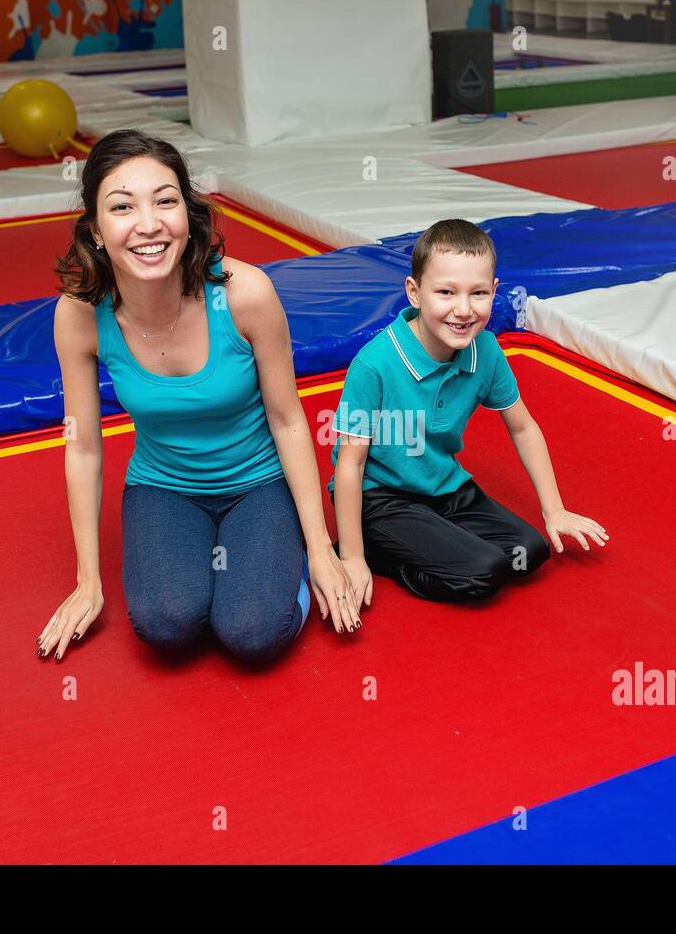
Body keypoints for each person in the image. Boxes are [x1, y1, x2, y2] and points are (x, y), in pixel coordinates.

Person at [38, 129, 358, 666]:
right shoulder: (79, 315)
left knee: (253, 635)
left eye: (166, 201)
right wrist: (87, 581)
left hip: (259, 482)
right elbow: (84, 447)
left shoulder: (244, 293)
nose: (149, 224)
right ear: (96, 230)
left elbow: (288, 420)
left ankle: (287, 560)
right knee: (166, 627)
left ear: (189, 216)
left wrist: (323, 549)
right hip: (164, 487)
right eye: (123, 206)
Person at [330, 218, 609, 607]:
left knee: (530, 552)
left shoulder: (487, 351)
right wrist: (353, 558)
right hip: (382, 496)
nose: (463, 310)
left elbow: (523, 428)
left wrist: (554, 510)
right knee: (483, 572)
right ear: (415, 292)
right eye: (446, 292)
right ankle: (380, 551)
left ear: (494, 291)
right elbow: (351, 463)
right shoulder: (374, 364)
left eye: (478, 293)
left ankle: (433, 537)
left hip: (444, 486)